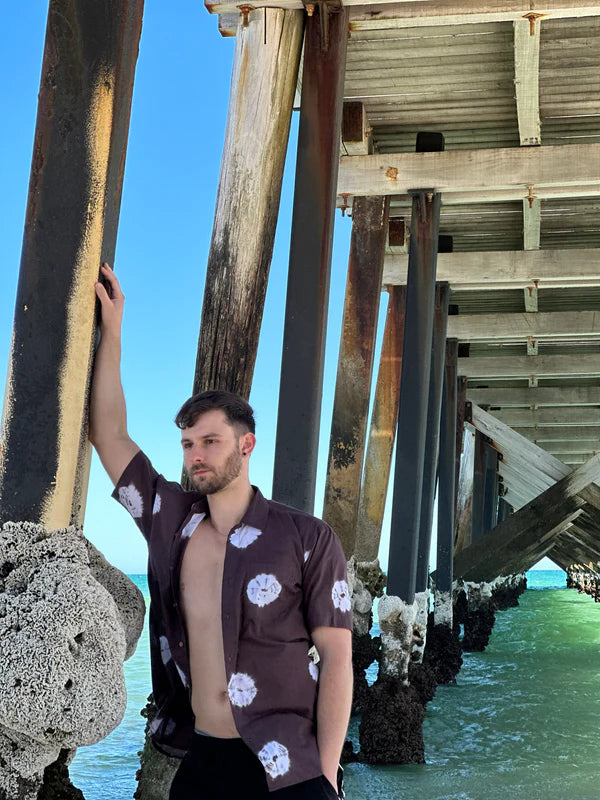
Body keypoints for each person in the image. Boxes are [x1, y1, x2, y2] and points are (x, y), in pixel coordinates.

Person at [89, 263, 353, 800]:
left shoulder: (307, 537)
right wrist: (113, 331)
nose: (196, 456)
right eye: (188, 445)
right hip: (203, 758)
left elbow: (338, 659)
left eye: (210, 441)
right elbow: (108, 434)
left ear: (246, 444)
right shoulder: (171, 522)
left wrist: (326, 774)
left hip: (288, 768)